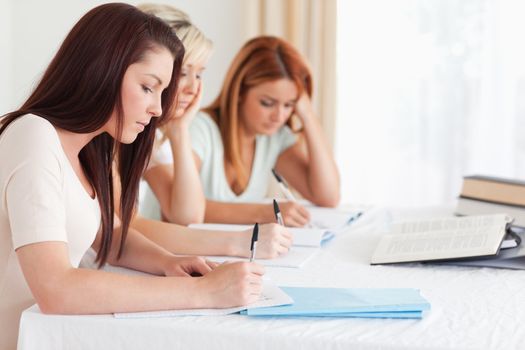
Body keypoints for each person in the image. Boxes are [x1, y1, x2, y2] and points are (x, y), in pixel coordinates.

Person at [0, 4, 263, 349]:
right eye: (148, 87)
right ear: (103, 69)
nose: (157, 109)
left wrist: (169, 263)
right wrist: (203, 291)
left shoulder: (88, 150)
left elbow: (109, 235)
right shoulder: (33, 136)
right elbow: (56, 289)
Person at [127, 4, 293, 259]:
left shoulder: (150, 136)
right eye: (183, 73)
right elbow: (122, 227)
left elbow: (187, 215)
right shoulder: (121, 132)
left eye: (200, 74)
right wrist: (239, 242)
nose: (194, 88)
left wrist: (180, 130)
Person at [147, 35, 340, 227]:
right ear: (239, 91)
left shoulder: (274, 137)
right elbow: (182, 210)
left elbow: (328, 196)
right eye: (267, 103)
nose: (279, 116)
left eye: (289, 105)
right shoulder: (199, 129)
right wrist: (264, 212)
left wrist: (308, 115)